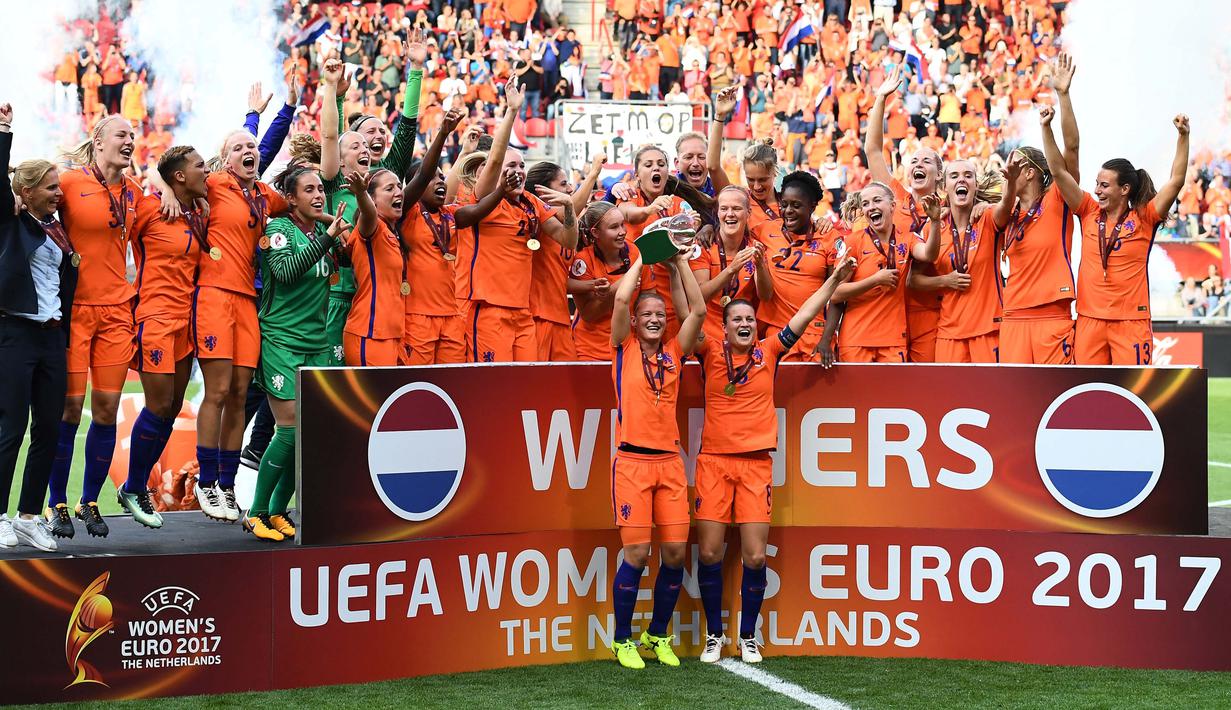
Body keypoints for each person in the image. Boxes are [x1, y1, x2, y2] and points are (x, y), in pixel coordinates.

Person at [693, 253, 857, 664]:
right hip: (713, 462)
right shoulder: (709, 352)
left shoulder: (770, 351)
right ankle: (715, 635)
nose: (745, 324)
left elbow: (804, 314)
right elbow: (690, 310)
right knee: (710, 553)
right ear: (725, 326)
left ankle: (747, 636)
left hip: (756, 466)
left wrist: (834, 279)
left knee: (754, 556)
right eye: (737, 319)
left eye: (750, 318)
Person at [607, 251, 705, 670]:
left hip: (669, 464)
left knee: (676, 556)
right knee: (636, 554)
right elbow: (618, 299)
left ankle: (658, 633)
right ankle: (621, 640)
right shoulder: (623, 347)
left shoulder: (673, 352)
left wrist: (678, 262)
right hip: (631, 464)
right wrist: (644, 257)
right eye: (646, 313)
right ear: (634, 320)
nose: (653, 318)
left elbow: (698, 310)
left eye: (660, 313)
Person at [45, 114, 141, 539]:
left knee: (105, 411)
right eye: (121, 134)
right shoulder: (67, 183)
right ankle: (56, 504)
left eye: (133, 136)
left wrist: (175, 197)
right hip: (73, 314)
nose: (130, 141)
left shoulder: (136, 193)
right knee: (66, 409)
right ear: (98, 140)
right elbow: (29, 206)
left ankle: (89, 502)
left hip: (117, 315)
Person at [246, 164, 350, 541]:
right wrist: (328, 238)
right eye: (308, 190)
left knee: (307, 435)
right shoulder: (278, 230)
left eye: (320, 188)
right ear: (290, 198)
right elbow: (287, 273)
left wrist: (335, 234)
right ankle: (255, 512)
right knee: (288, 431)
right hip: (281, 341)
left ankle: (277, 510)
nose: (318, 195)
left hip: (317, 342)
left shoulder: (325, 229)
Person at [1042, 108, 1189, 365]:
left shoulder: (1145, 217)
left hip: (1131, 321)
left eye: (1104, 185)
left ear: (1124, 189)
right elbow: (1058, 173)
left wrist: (1183, 136)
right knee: (1088, 392)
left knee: (1132, 395)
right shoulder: (1087, 210)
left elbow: (1176, 180)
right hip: (1089, 320)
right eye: (1097, 184)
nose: (1096, 190)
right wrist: (1046, 128)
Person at [193, 129, 289, 522]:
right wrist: (166, 187)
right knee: (216, 391)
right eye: (238, 147)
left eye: (251, 147)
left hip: (249, 301)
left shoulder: (266, 195)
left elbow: (301, 200)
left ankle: (228, 485)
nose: (248, 151)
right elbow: (174, 173)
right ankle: (205, 480)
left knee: (238, 393)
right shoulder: (213, 184)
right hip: (214, 294)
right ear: (225, 159)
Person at [116, 146, 209, 528]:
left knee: (172, 408)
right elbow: (130, 183)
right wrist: (160, 187)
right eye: (199, 166)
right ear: (180, 176)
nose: (206, 171)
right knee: (157, 408)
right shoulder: (152, 207)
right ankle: (134, 486)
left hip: (187, 323)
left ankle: (137, 487)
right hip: (154, 317)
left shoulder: (199, 210)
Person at [456, 81, 578, 362]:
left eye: (522, 165)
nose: (519, 171)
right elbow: (496, 158)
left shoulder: (531, 204)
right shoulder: (485, 197)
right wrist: (512, 111)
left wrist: (569, 209)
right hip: (487, 309)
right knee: (493, 385)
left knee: (526, 383)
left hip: (523, 311)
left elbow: (567, 239)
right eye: (511, 166)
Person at [0, 104, 75, 552]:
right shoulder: (10, 222)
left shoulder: (58, 227)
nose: (58, 195)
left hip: (52, 337)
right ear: (25, 191)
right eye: (50, 189)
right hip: (14, 335)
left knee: (48, 426)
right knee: (10, 428)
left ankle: (29, 515)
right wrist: (4, 130)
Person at [400, 133, 515, 365]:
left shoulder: (450, 215)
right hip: (417, 316)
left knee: (452, 384)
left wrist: (501, 190)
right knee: (416, 384)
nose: (440, 182)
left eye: (442, 177)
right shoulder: (407, 212)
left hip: (452, 317)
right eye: (433, 179)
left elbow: (477, 210)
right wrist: (443, 133)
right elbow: (422, 174)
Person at [996, 54, 1081, 365]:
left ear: (1030, 171)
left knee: (1055, 399)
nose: (1007, 169)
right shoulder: (1007, 213)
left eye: (1014, 162)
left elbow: (1071, 150)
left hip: (1052, 314)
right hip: (1013, 314)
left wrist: (1063, 95)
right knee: (1014, 402)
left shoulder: (1057, 198)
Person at [865, 66, 943, 363]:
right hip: (888, 308)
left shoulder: (950, 210)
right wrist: (881, 99)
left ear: (939, 175)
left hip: (929, 313)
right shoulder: (895, 194)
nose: (918, 164)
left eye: (927, 160)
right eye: (914, 160)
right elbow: (873, 150)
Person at [831, 183, 943, 362]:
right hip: (856, 339)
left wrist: (935, 222)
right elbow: (835, 293)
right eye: (866, 204)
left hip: (893, 339)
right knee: (859, 392)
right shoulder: (853, 242)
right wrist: (875, 280)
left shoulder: (908, 238)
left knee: (892, 391)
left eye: (877, 200)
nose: (871, 207)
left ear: (892, 206)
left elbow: (929, 254)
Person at [913, 159, 1010, 362]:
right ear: (944, 186)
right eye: (954, 176)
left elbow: (1009, 206)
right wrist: (944, 281)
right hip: (949, 333)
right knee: (950, 394)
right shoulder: (933, 226)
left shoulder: (988, 217)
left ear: (975, 184)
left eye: (968, 175)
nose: (961, 180)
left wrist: (990, 202)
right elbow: (912, 280)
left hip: (989, 329)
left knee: (991, 394)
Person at [526, 154, 605, 361]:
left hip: (560, 319)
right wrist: (593, 172)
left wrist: (592, 285)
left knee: (561, 387)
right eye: (563, 184)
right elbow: (572, 207)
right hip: (536, 318)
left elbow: (559, 278)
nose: (570, 188)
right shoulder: (536, 219)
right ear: (542, 191)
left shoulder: (568, 228)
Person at [753, 171, 838, 362]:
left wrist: (827, 338)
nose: (788, 210)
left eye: (796, 205)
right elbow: (729, 222)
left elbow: (836, 295)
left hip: (814, 334)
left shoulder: (829, 238)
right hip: (777, 331)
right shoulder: (765, 230)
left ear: (813, 206)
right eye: (784, 205)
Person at [692, 186, 774, 345]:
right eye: (724, 209)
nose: (730, 214)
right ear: (717, 213)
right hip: (706, 339)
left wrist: (760, 267)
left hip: (743, 338)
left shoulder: (755, 247)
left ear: (748, 213)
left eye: (736, 208)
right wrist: (731, 270)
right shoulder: (703, 246)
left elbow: (765, 296)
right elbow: (699, 295)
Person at [571, 202, 646, 360]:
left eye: (622, 225)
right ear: (595, 232)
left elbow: (647, 296)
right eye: (614, 227)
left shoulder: (634, 252)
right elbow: (589, 315)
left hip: (628, 347)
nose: (622, 232)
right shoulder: (583, 261)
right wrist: (621, 287)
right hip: (591, 350)